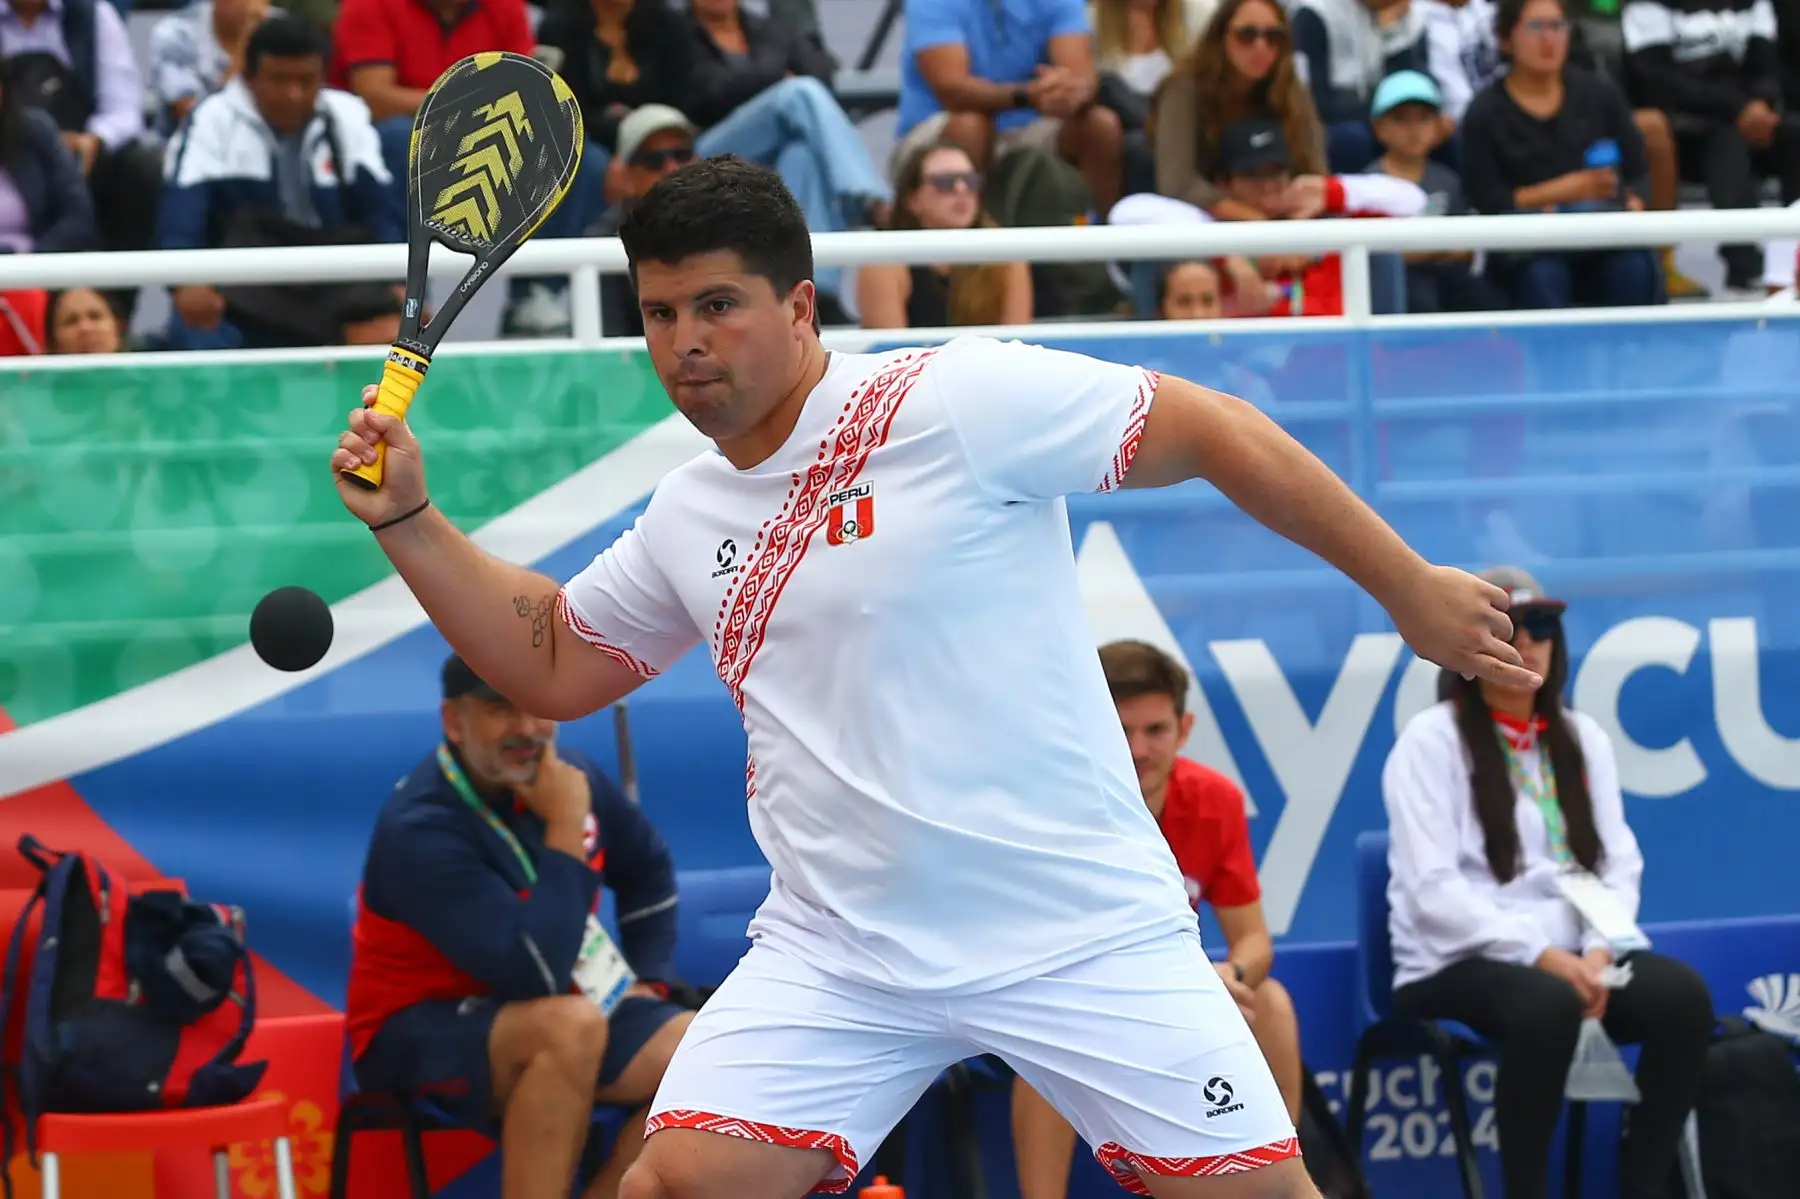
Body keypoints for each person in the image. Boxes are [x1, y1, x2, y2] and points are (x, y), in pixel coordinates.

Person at [329, 154, 1539, 1199]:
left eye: (717, 305)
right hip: (843, 950)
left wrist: (1406, 586)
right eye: (657, 315)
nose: (685, 343)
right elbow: (550, 661)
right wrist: (413, 519)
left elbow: (1219, 428)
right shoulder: (687, 512)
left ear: (801, 306)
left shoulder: (951, 398)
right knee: (679, 1177)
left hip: (1079, 929)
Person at [1383, 566, 1714, 1199]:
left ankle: (1642, 1187)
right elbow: (1432, 891)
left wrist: (1595, 951)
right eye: (1506, 626)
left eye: (1541, 626)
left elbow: (1619, 863)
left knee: (1683, 998)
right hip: (1457, 960)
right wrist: (1543, 957)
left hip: (1575, 958)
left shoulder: (1581, 736)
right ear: (1466, 645)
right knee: (1547, 1004)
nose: (1527, 639)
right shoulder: (1430, 741)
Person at [347, 654, 694, 1199]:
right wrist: (562, 825)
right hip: (416, 1031)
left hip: (560, 1002)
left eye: (539, 708)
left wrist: (652, 973)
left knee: (704, 1061)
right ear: (454, 722)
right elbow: (535, 972)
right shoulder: (419, 830)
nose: (527, 729)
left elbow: (647, 871)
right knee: (567, 1028)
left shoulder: (574, 779)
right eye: (500, 708)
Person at [1011, 639, 1305, 1199]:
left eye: (1156, 730)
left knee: (1269, 1004)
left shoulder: (1215, 799)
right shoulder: (1050, 802)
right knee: (1049, 1037)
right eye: (1121, 731)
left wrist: (1233, 976)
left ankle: (1280, 1182)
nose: (1139, 749)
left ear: (1185, 729)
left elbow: (1254, 939)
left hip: (1169, 993)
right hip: (1063, 993)